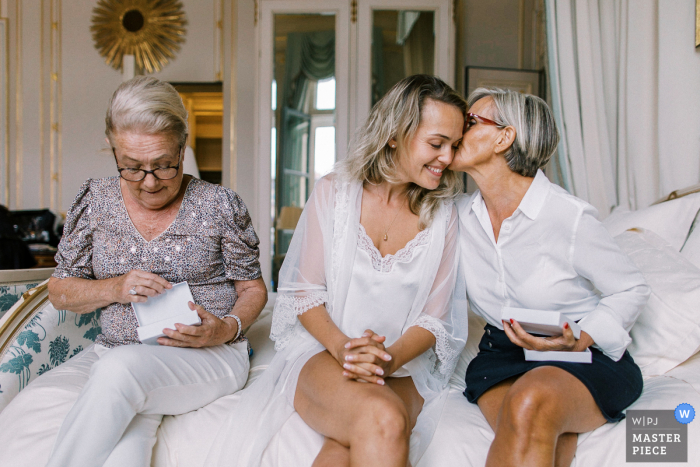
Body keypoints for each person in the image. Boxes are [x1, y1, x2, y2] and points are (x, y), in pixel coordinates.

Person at [0, 76, 267, 467]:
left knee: (119, 371)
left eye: (164, 166)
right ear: (113, 150)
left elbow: (253, 289)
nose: (149, 182)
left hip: (209, 355)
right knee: (124, 437)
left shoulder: (219, 204)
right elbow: (59, 289)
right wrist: (115, 287)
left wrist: (225, 328)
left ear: (182, 144)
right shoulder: (96, 201)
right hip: (119, 350)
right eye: (132, 167)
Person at [205, 75, 469, 467]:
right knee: (382, 418)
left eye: (454, 146)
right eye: (436, 144)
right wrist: (345, 349)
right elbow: (304, 292)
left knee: (351, 443)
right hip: (323, 351)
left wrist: (387, 359)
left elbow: (435, 319)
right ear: (394, 134)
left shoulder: (445, 215)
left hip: (405, 366)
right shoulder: (335, 193)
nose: (447, 158)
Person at [449, 88, 650, 467]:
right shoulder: (457, 217)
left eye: (472, 121)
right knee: (531, 423)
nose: (459, 130)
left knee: (529, 404)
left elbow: (631, 288)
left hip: (579, 355)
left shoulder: (567, 216)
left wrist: (583, 338)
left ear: (504, 137)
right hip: (502, 354)